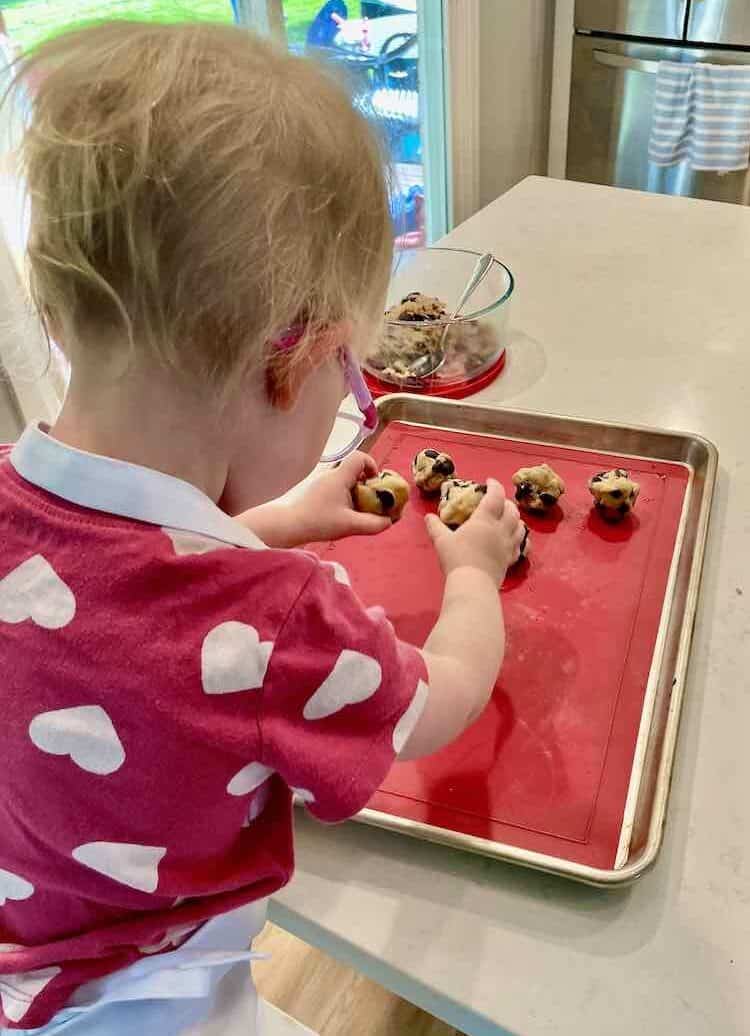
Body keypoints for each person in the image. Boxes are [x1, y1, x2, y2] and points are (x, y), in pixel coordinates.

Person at [0, 21, 524, 1036]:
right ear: (296, 366)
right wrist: (473, 572)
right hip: (151, 1006)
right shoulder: (286, 622)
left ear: (59, 322)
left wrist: (279, 519)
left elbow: (123, 584)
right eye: (350, 372)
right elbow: (440, 703)